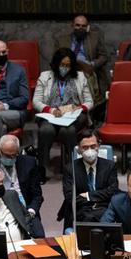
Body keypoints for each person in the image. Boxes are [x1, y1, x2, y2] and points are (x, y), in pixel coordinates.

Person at [34, 48, 93, 177]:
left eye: (68, 65)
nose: (64, 68)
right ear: (56, 64)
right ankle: (42, 168)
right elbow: (36, 101)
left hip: (74, 115)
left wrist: (81, 107)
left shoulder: (80, 77)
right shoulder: (45, 76)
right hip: (50, 115)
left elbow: (89, 101)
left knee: (68, 131)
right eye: (62, 65)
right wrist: (51, 110)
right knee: (46, 131)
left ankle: (74, 166)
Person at [58, 129, 119, 230]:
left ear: (98, 146)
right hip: (80, 210)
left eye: (93, 146)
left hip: (104, 209)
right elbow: (70, 197)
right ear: (78, 150)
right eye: (85, 147)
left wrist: (88, 196)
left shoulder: (109, 166)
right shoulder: (70, 169)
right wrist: (100, 196)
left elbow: (112, 191)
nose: (90, 150)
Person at [0, 135, 44, 219]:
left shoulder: (29, 163)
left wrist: (31, 211)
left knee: (38, 232)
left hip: (25, 209)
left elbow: (37, 194)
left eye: (14, 155)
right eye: (7, 155)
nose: (11, 158)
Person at [55, 14, 109, 107]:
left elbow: (103, 56)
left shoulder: (95, 37)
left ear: (87, 27)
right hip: (68, 69)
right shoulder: (61, 40)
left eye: (83, 26)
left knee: (85, 76)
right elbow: (55, 58)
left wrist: (92, 64)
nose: (80, 28)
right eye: (78, 25)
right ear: (72, 25)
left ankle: (88, 108)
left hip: (88, 70)